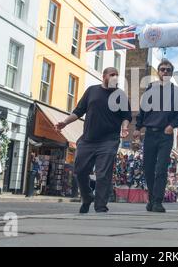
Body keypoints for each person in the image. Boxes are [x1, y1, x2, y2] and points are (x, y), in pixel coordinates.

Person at [55, 67, 132, 214]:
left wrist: (125, 128)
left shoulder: (120, 95)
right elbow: (78, 111)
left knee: (103, 174)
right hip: (88, 139)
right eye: (112, 75)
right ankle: (87, 196)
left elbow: (126, 116)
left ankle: (100, 207)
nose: (115, 77)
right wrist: (65, 122)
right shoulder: (91, 91)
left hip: (109, 141)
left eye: (117, 75)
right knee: (79, 171)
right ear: (104, 76)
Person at [133, 59, 178, 213]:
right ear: (158, 72)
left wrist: (172, 126)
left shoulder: (176, 92)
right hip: (150, 133)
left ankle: (157, 201)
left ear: (171, 73)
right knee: (148, 168)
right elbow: (143, 110)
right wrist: (138, 127)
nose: (165, 72)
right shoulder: (150, 88)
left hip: (165, 134)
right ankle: (151, 198)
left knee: (161, 168)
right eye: (162, 69)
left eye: (168, 70)